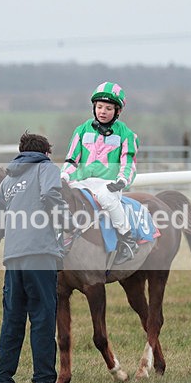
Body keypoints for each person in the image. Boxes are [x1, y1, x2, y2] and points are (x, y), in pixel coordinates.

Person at [0, 131, 67, 383]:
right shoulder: (47, 168)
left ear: (21, 152)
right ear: (46, 153)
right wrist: (65, 221)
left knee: (12, 320)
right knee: (42, 318)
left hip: (14, 258)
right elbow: (52, 194)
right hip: (41, 255)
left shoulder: (8, 181)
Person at [60, 81, 140, 265]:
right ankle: (60, 237)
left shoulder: (127, 135)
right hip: (82, 181)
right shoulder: (81, 130)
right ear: (94, 108)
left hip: (109, 183)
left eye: (108, 108)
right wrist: (64, 175)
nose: (103, 111)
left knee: (106, 196)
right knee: (63, 197)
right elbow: (72, 160)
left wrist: (121, 180)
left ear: (117, 111)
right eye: (100, 107)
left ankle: (127, 239)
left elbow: (128, 163)